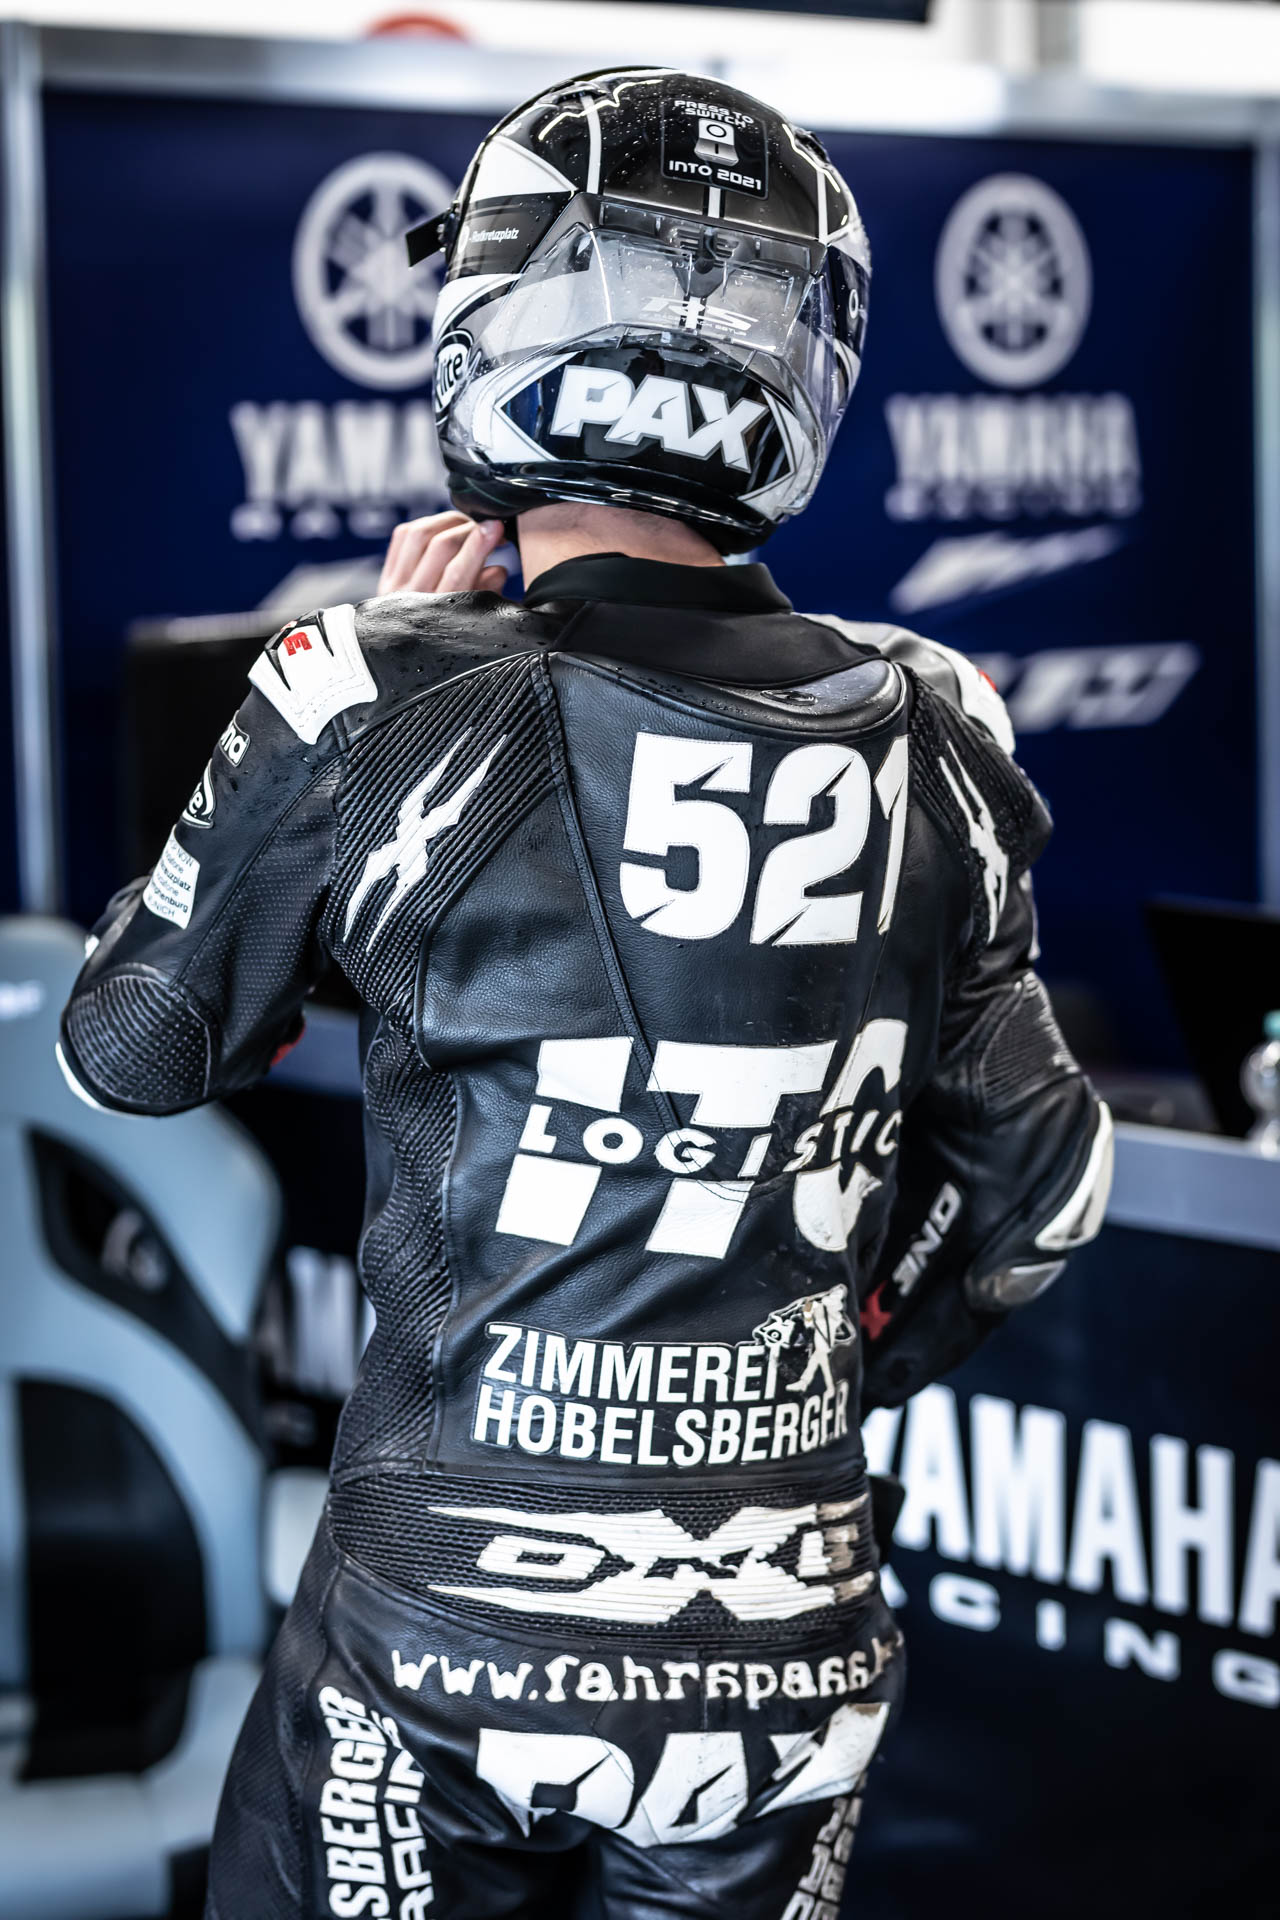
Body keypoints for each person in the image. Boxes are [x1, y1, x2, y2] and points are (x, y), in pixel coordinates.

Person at [61, 68, 1112, 1920]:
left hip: (440, 1639)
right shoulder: (940, 726)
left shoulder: (373, 691)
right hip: (782, 1657)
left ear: (505, 310)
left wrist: (352, 707)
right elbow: (1044, 1197)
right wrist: (819, 1362)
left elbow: (129, 1046)